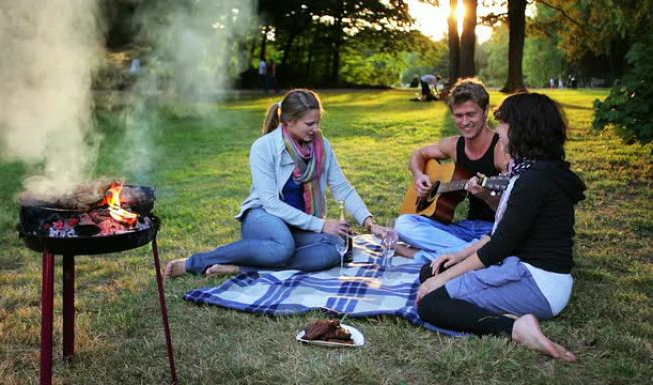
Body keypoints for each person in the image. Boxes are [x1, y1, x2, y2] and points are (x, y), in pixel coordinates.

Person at [415, 92, 586, 361]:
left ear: (521, 130)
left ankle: (516, 327)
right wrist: (458, 257)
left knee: (430, 302)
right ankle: (505, 312)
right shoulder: (534, 171)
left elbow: (498, 248)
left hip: (537, 284)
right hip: (522, 267)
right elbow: (503, 233)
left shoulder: (533, 181)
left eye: (504, 124)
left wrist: (443, 280)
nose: (500, 132)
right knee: (431, 269)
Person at [165, 89, 386, 277]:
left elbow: (342, 187)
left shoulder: (321, 145)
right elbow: (271, 203)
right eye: (310, 123)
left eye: (318, 122)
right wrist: (322, 225)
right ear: (289, 121)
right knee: (283, 247)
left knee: (338, 248)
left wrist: (369, 223)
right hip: (264, 218)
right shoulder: (264, 147)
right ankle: (193, 263)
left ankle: (241, 268)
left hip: (299, 224)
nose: (315, 129)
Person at [395, 78, 509, 262]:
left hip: (493, 229)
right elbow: (419, 154)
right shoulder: (454, 145)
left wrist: (487, 195)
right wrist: (419, 175)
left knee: (502, 244)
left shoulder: (501, 150)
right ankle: (471, 256)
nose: (464, 122)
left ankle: (428, 256)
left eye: (471, 114)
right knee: (403, 224)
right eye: (458, 115)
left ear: (485, 111)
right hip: (465, 228)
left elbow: (513, 208)